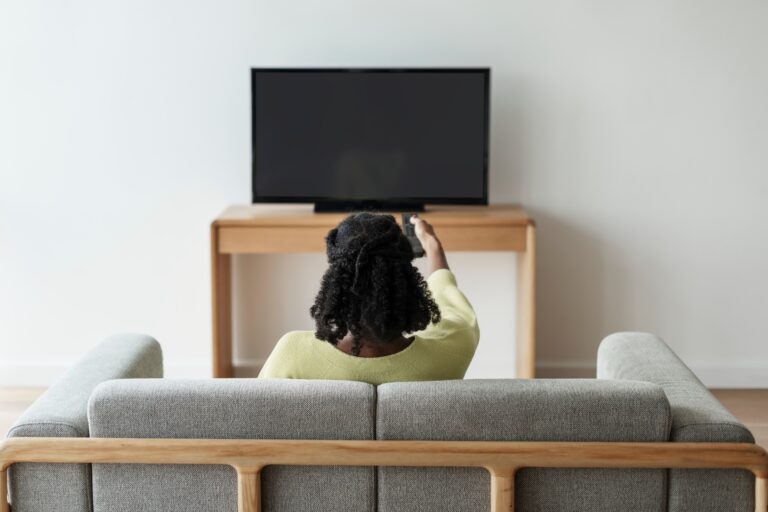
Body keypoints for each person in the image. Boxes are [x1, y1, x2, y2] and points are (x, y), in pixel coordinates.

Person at [258, 212, 479, 385]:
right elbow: (447, 298)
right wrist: (432, 244)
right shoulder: (452, 349)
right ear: (406, 280)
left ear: (337, 284)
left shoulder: (292, 354)